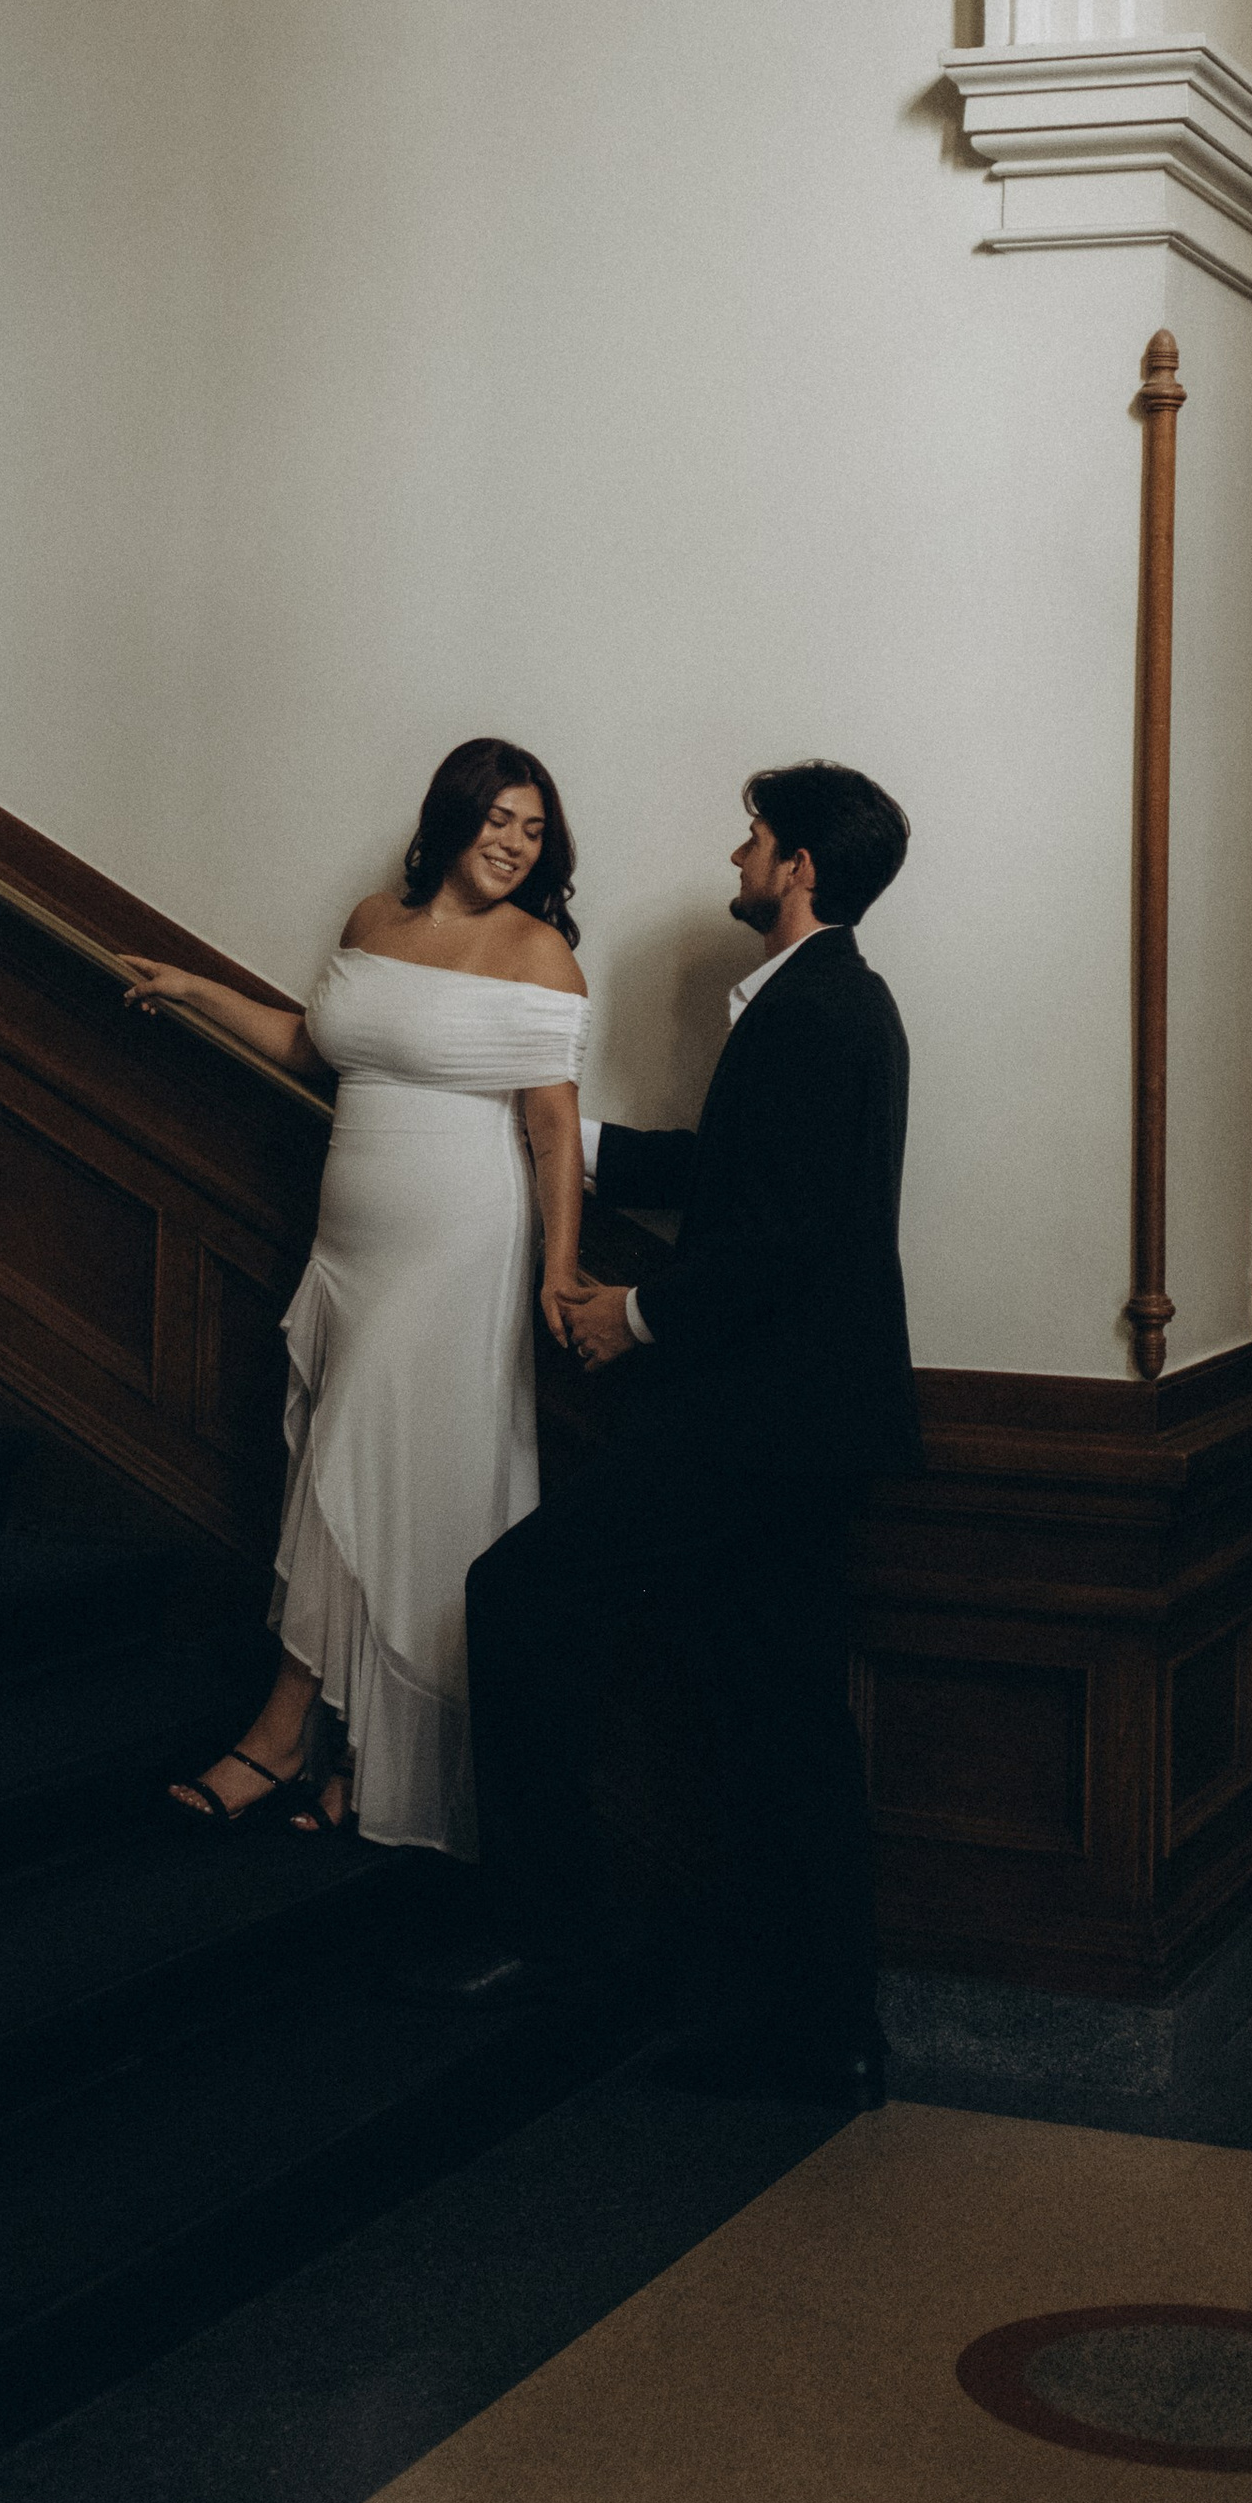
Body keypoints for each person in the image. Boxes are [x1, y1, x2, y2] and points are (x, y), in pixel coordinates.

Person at [456, 759, 919, 2103]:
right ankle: (824, 2030)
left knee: (518, 1595)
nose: (737, 856)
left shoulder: (817, 1011)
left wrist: (632, 1316)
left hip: (756, 1424)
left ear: (802, 870)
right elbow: (738, 1173)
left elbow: (782, 1237)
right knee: (783, 1721)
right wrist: (566, 1131)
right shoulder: (831, 1003)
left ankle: (557, 1948)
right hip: (803, 1426)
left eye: (756, 838)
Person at [120, 738, 587, 1851]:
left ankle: (280, 1737)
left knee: (356, 1466)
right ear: (452, 815)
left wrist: (556, 1269)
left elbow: (555, 1125)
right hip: (347, 1250)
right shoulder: (373, 919)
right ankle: (354, 1761)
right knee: (357, 1472)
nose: (514, 845)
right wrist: (191, 988)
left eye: (533, 828)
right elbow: (306, 1042)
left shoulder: (541, 955)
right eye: (498, 821)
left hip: (457, 1247)